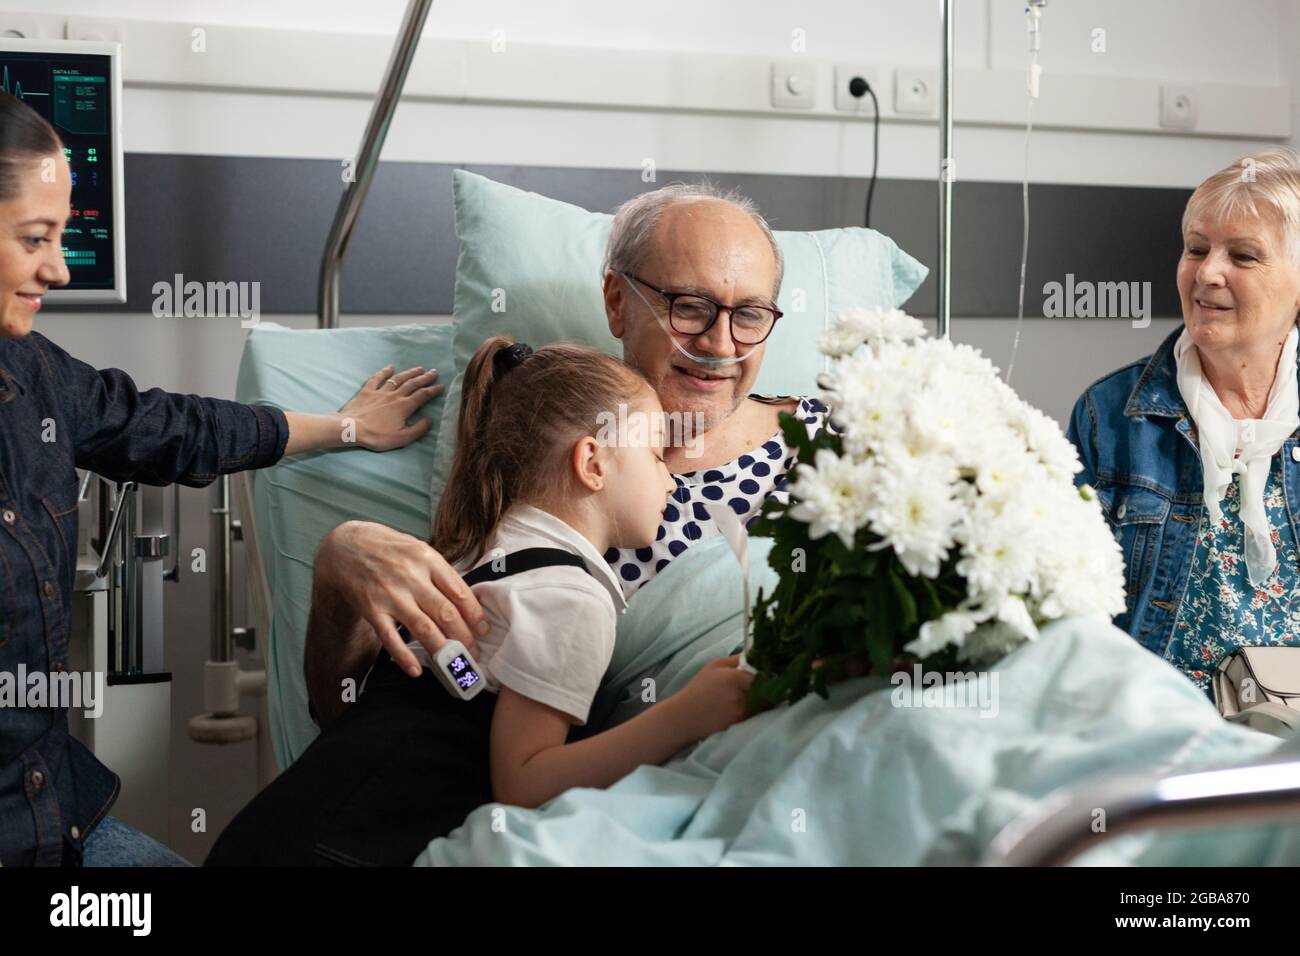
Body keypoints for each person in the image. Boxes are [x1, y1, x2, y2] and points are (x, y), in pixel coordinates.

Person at [0, 92, 444, 866]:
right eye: (36, 237)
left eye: (63, 236)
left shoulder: (36, 378)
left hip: (58, 812)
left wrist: (346, 427)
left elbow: (174, 428)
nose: (60, 267)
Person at [207, 336, 756, 865]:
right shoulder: (571, 598)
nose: (673, 483)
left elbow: (413, 703)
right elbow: (522, 783)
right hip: (346, 849)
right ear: (593, 463)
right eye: (657, 456)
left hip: (274, 830)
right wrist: (687, 715)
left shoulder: (468, 557)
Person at [303, 182, 828, 729]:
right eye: (690, 308)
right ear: (617, 302)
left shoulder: (846, 442)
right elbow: (369, 711)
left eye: (747, 315)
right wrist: (340, 566)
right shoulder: (539, 457)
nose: (721, 345)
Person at [1067, 147, 1300, 695]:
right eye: (1196, 249)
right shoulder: (1111, 415)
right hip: (1154, 731)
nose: (1208, 272)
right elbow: (1063, 609)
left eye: (1243, 256)